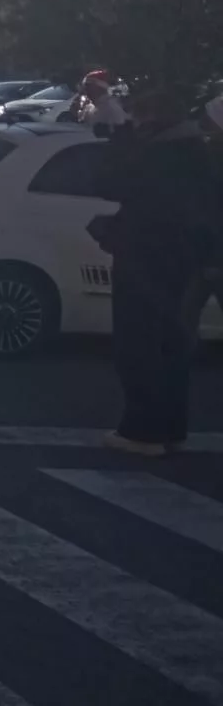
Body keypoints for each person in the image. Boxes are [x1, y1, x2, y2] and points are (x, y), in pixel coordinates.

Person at [95, 89, 217, 455]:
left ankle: (143, 432)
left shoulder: (165, 155)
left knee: (139, 346)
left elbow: (111, 182)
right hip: (185, 262)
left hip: (148, 260)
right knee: (172, 348)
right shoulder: (199, 157)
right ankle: (170, 427)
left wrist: (119, 133)